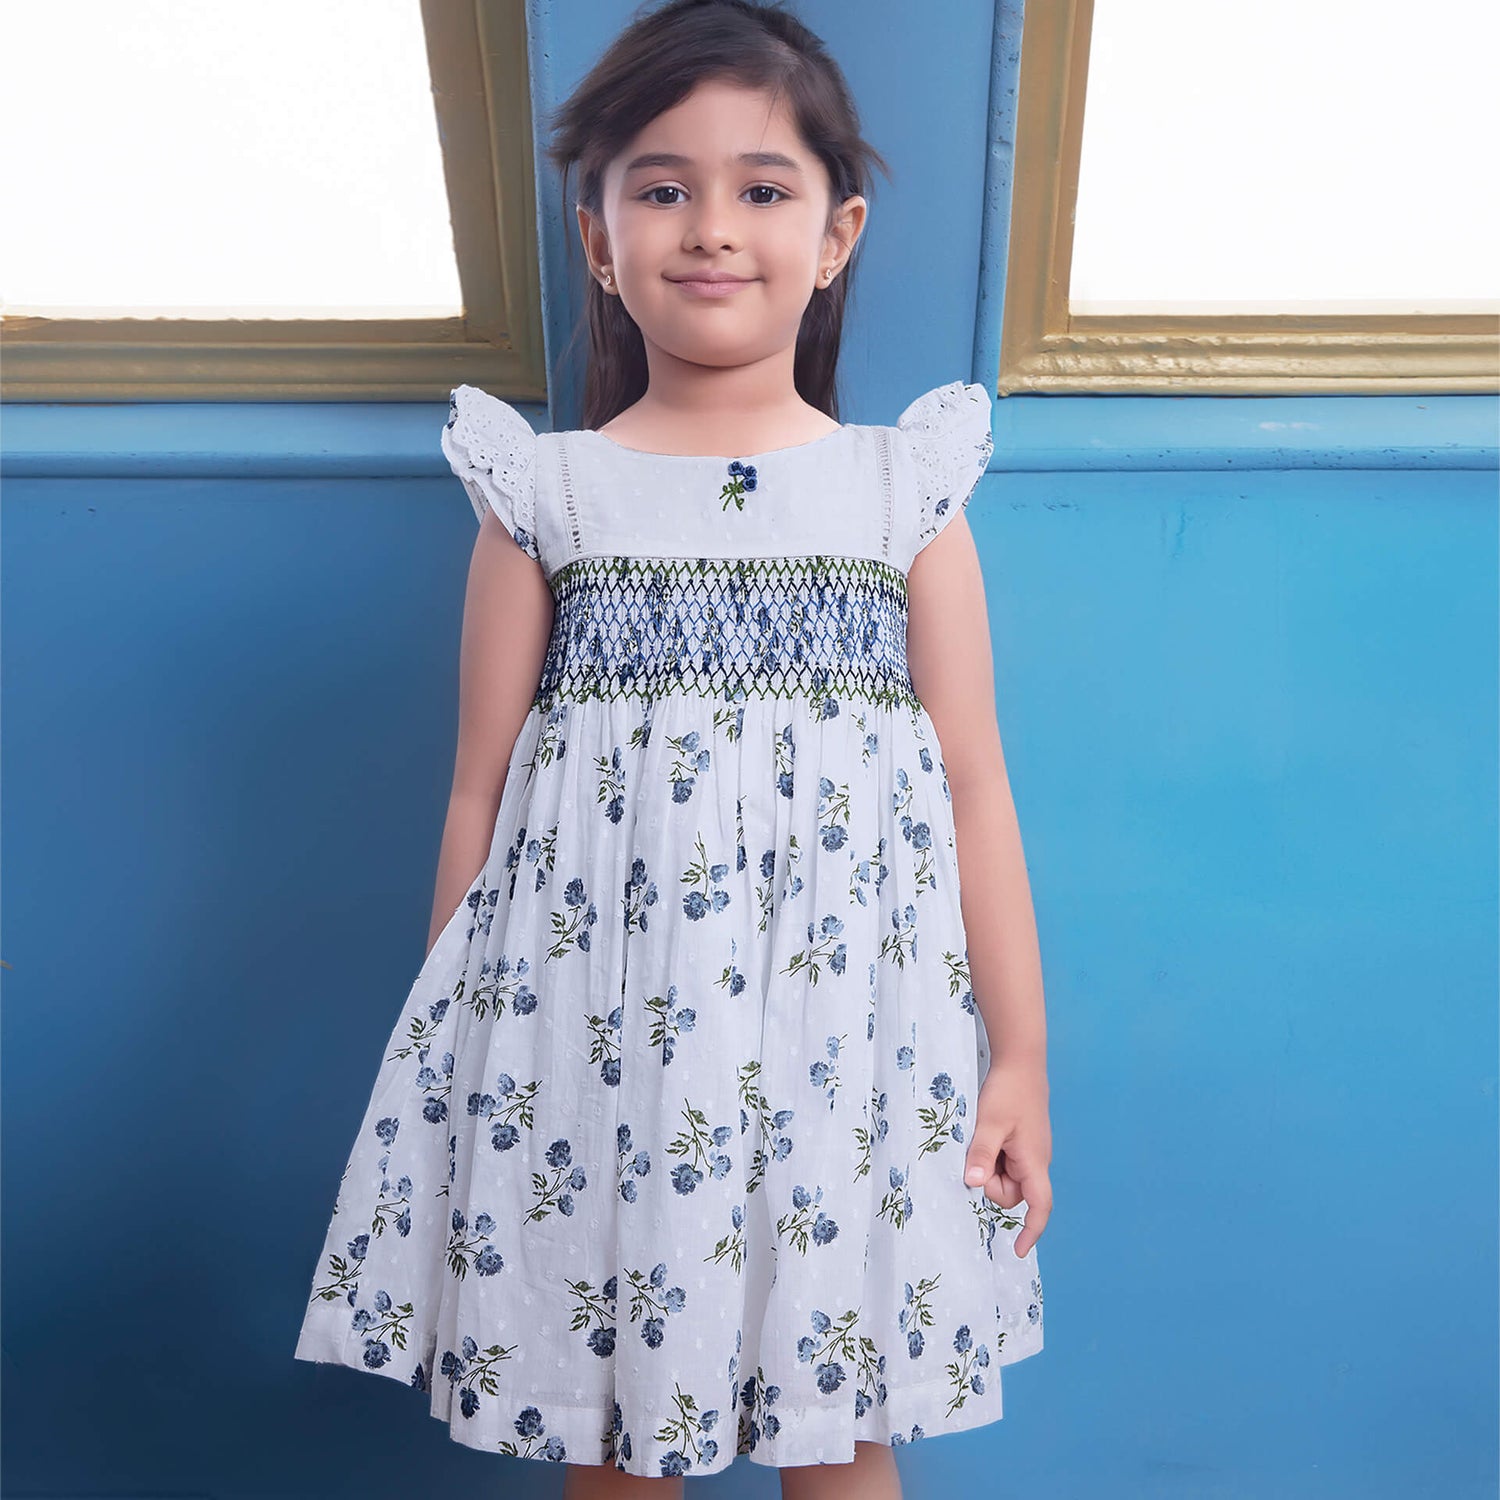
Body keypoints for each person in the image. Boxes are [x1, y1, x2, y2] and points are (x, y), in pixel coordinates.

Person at [294, 1, 1050, 1493]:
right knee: (623, 1424)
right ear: (598, 236)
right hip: (598, 1045)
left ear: (834, 236)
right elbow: (480, 787)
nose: (712, 229)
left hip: (855, 1049)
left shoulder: (905, 494)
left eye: (762, 190)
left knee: (844, 1429)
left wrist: (1020, 1054)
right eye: (661, 187)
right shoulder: (548, 496)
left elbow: (973, 782)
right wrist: (466, 1061)